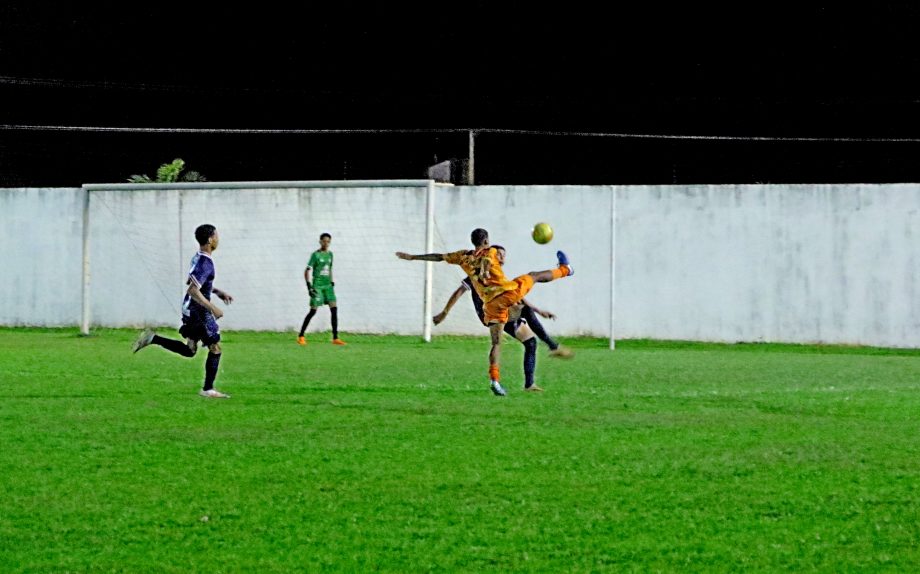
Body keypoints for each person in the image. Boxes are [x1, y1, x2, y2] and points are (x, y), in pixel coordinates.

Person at [396, 228, 573, 397]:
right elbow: (487, 260)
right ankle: (565, 269)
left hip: (492, 306)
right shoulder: (492, 252)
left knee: (498, 343)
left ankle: (497, 381)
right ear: (487, 241)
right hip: (506, 295)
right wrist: (486, 267)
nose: (502, 257)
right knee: (534, 276)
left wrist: (413, 257)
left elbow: (440, 257)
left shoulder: (463, 256)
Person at [433, 245, 574, 392]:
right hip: (491, 313)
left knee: (531, 343)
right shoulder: (477, 274)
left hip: (505, 313)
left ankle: (529, 385)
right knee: (524, 309)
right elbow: (459, 292)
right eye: (499, 254)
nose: (502, 258)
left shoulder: (498, 277)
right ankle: (552, 346)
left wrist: (538, 310)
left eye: (503, 255)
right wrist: (444, 312)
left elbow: (515, 297)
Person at [132, 224, 234, 398]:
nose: (218, 239)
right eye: (216, 236)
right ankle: (208, 389)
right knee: (215, 348)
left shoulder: (198, 258)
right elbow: (193, 289)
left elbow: (193, 282)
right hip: (199, 310)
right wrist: (213, 308)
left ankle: (153, 338)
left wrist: (216, 292)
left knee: (190, 350)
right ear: (210, 240)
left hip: (189, 308)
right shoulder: (206, 262)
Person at [298, 233, 346, 346]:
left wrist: (331, 281)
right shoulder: (315, 255)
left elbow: (330, 269)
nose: (326, 243)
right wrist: (309, 287)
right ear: (320, 241)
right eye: (324, 241)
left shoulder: (330, 255)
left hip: (328, 286)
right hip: (317, 286)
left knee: (334, 309)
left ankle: (335, 338)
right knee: (313, 311)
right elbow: (307, 270)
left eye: (328, 241)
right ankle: (301, 336)